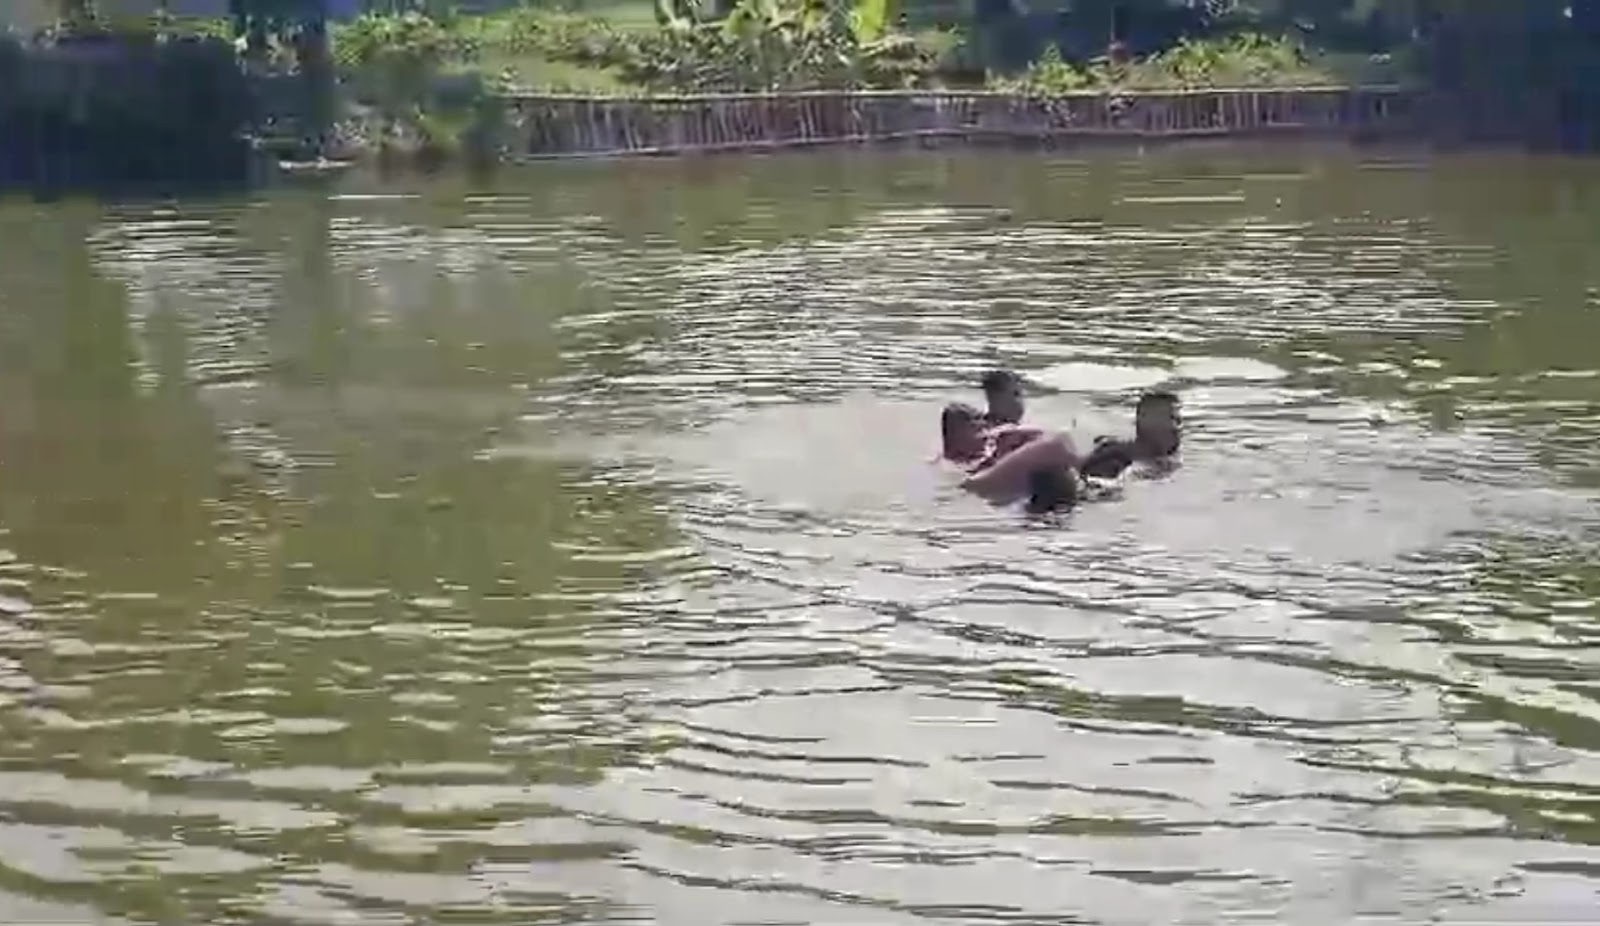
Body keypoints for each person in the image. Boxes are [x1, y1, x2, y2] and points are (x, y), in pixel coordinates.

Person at [1077, 390, 1183, 480]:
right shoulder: (1114, 461)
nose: (1179, 426)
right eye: (1173, 418)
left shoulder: (1168, 461)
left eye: (1179, 419)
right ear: (1147, 422)